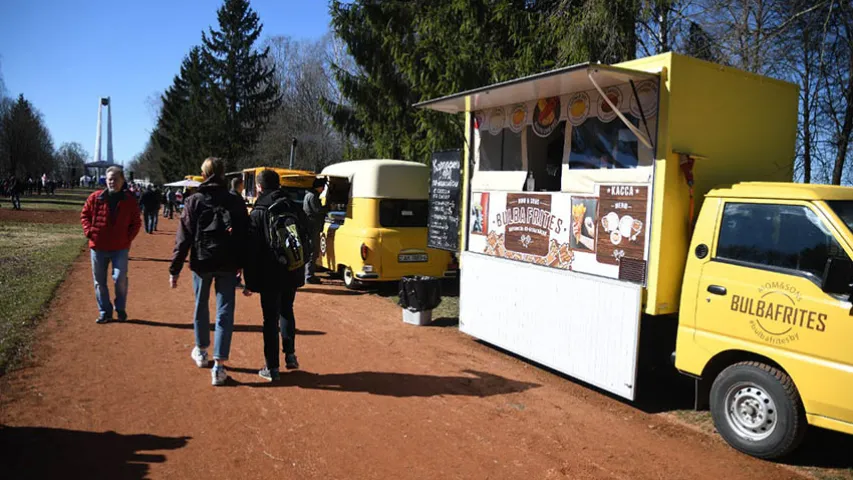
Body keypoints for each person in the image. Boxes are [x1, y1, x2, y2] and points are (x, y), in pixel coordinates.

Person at [169, 157, 249, 386]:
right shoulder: (235, 201)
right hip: (228, 263)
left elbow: (183, 237)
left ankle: (201, 351)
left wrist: (174, 269)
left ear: (203, 175)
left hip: (202, 262)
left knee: (200, 305)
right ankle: (219, 366)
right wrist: (243, 267)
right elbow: (244, 236)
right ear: (223, 175)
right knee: (224, 312)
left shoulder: (194, 201)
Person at [244, 170, 310, 380]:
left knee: (269, 320)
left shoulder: (258, 211)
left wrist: (249, 280)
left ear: (260, 187)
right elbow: (307, 235)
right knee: (287, 310)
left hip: (269, 272)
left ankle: (272, 367)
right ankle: (290, 355)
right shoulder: (292, 206)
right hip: (292, 268)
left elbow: (252, 250)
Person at [80, 166, 142, 324]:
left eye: (115, 179)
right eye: (109, 179)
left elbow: (136, 222)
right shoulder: (95, 198)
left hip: (119, 247)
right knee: (99, 282)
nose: (112, 182)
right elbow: (85, 215)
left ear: (122, 181)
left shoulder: (129, 200)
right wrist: (90, 232)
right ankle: (104, 311)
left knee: (120, 278)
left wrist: (128, 238)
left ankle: (120, 308)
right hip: (98, 246)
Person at [302, 178, 328, 284]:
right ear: (319, 187)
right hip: (313, 226)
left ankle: (307, 274)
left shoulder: (308, 195)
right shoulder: (313, 196)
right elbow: (318, 211)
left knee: (310, 249)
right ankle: (309, 276)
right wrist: (327, 207)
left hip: (309, 226)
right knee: (313, 250)